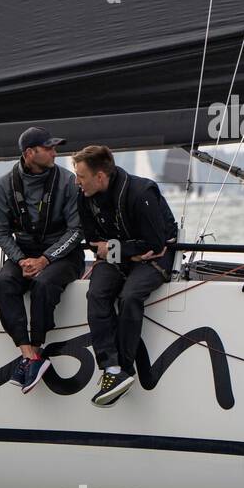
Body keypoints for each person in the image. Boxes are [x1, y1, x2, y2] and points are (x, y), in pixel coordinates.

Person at [73, 144, 178, 407]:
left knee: (130, 296)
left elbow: (155, 244)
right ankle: (111, 369)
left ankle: (126, 368)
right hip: (121, 255)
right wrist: (126, 253)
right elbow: (93, 241)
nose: (77, 182)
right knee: (96, 294)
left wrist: (118, 250)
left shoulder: (141, 191)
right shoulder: (84, 196)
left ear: (100, 176)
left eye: (81, 176)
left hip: (154, 255)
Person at [0, 127, 84, 393]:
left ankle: (38, 347)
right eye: (49, 148)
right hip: (25, 254)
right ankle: (29, 355)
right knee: (3, 284)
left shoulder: (67, 181)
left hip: (63, 254)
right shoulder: (3, 185)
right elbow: (0, 231)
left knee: (44, 285)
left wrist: (45, 259)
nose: (55, 152)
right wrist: (21, 260)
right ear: (30, 153)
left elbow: (76, 230)